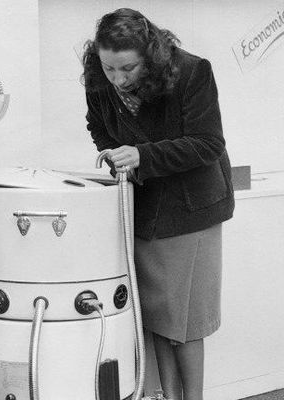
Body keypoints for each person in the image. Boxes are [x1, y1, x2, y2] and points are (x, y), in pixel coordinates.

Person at [80, 8, 234, 400]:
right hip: (144, 206)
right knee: (158, 321)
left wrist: (142, 156)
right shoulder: (100, 75)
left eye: (127, 69)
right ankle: (169, 396)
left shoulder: (191, 72)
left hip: (190, 209)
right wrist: (112, 152)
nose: (117, 79)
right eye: (109, 68)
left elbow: (209, 143)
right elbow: (96, 125)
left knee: (186, 324)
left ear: (150, 55)